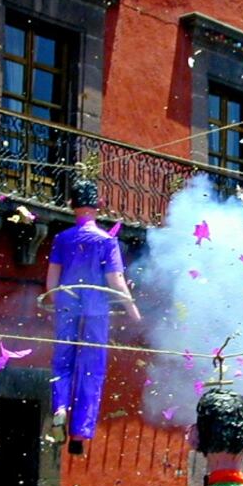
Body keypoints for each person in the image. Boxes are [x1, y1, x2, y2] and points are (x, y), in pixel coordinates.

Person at [45, 179, 141, 455]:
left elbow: (51, 283)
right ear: (97, 205)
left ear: (72, 205)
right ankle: (80, 431)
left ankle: (60, 407)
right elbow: (116, 279)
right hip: (96, 310)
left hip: (67, 306)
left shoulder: (61, 239)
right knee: (91, 370)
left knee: (62, 361)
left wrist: (58, 304)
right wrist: (134, 312)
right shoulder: (107, 241)